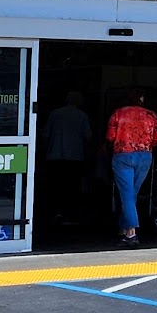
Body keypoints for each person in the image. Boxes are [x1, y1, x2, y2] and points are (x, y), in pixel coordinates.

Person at [106, 91, 157, 247]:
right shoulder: (151, 115)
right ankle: (123, 228)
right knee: (132, 194)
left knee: (127, 194)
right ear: (141, 99)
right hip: (144, 156)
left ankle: (131, 233)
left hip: (123, 155)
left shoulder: (118, 113)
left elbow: (110, 137)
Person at [39, 91, 91, 226]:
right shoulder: (82, 116)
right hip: (75, 157)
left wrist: (44, 151)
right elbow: (88, 137)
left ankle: (56, 213)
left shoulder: (55, 114)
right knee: (72, 187)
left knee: (55, 186)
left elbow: (45, 135)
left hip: (54, 156)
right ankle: (70, 215)